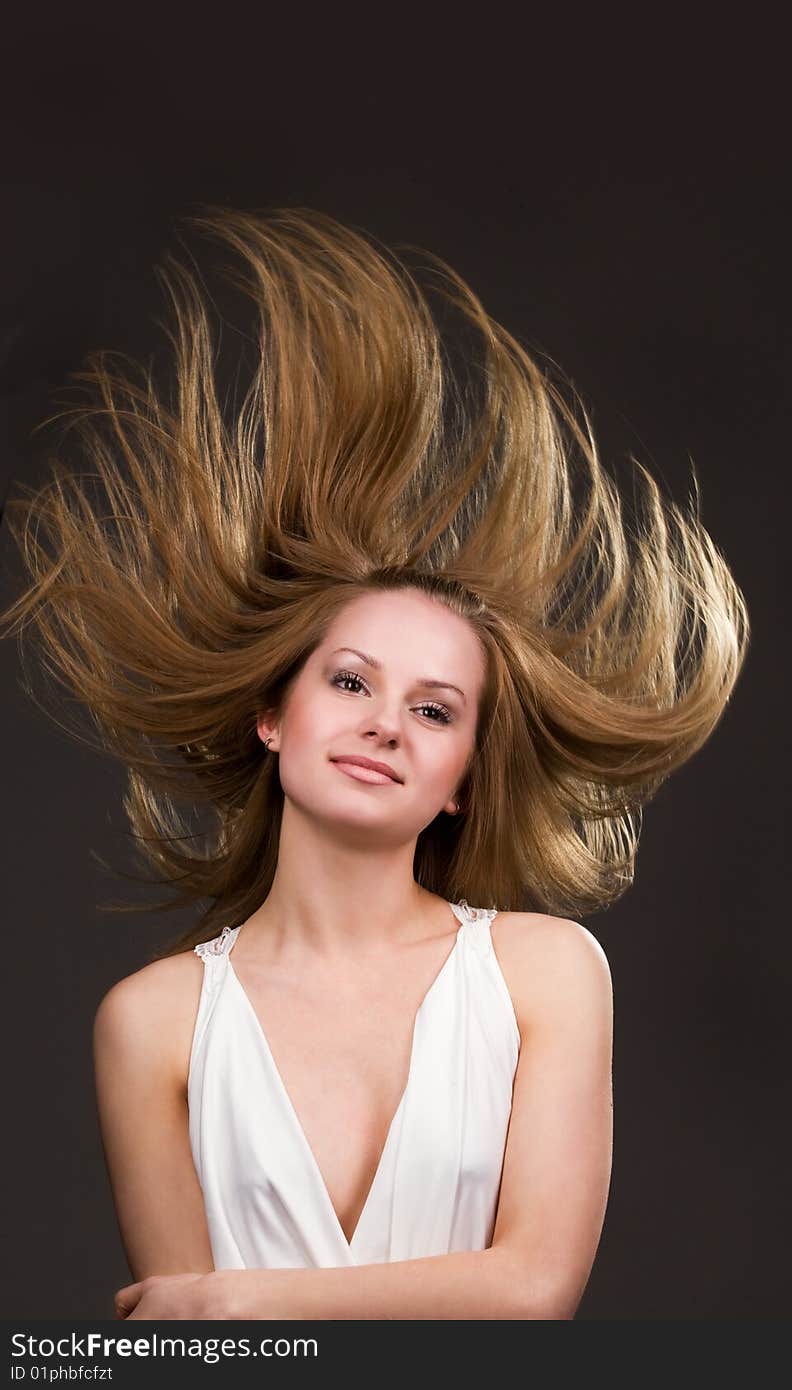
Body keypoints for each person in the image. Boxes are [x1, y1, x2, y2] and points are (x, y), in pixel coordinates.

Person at [0, 206, 749, 1320]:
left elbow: (534, 1288)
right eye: (349, 682)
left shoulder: (546, 975)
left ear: (464, 778)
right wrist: (218, 1317)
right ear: (272, 712)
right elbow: (177, 1341)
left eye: (435, 709)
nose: (385, 723)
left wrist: (249, 1303)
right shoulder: (149, 1022)